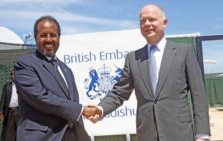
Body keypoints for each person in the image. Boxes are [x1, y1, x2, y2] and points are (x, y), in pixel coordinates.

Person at [87, 4, 210, 141]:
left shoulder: (184, 52)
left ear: (164, 23)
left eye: (152, 19)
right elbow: (119, 92)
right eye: (142, 21)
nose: (147, 24)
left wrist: (202, 135)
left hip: (179, 133)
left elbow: (199, 96)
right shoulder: (132, 59)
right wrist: (101, 108)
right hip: (146, 134)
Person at [14, 16, 94, 141]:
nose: (49, 39)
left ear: (59, 38)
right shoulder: (25, 64)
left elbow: (72, 103)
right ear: (35, 38)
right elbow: (40, 97)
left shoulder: (66, 69)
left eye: (53, 35)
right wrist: (81, 110)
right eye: (43, 35)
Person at [0, 69, 20, 141]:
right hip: (9, 112)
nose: (13, 76)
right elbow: (3, 99)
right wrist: (1, 112)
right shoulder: (7, 86)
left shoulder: (21, 86)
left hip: (19, 112)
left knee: (19, 131)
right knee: (8, 133)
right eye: (12, 74)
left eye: (15, 74)